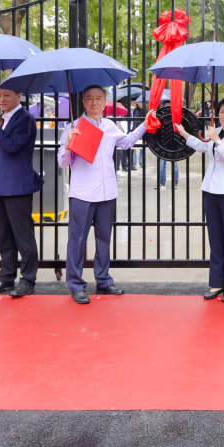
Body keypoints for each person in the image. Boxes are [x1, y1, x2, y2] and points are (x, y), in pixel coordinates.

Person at [57, 85, 147, 304]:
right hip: (82, 193)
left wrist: (145, 124)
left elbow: (125, 143)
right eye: (89, 98)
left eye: (98, 98)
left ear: (104, 101)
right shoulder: (73, 126)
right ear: (84, 102)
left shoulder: (109, 126)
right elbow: (62, 162)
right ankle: (76, 284)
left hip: (107, 192)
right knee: (77, 241)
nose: (94, 102)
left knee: (104, 238)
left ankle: (103, 279)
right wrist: (69, 144)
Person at [174, 95, 224, 302]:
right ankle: (217, 281)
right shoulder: (214, 131)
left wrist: (217, 141)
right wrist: (183, 133)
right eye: (222, 112)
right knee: (216, 239)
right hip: (211, 191)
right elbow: (202, 146)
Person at [0, 85, 43, 298]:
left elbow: (13, 146)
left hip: (17, 185)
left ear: (19, 96)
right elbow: (1, 147)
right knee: (3, 235)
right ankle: (6, 277)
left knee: (23, 235)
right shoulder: (4, 118)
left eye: (7, 95)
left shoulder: (24, 118)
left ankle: (28, 278)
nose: (2, 99)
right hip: (0, 184)